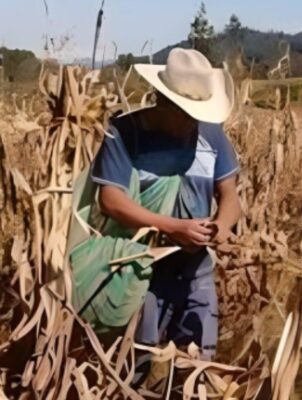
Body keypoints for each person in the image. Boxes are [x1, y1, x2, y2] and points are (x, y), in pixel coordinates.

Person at [90, 48, 242, 361]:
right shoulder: (124, 133)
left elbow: (229, 194)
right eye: (185, 115)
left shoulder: (211, 134)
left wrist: (221, 226)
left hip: (195, 271)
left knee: (197, 366)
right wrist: (173, 227)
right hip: (137, 270)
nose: (192, 123)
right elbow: (111, 200)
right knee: (134, 363)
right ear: (163, 102)